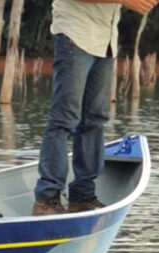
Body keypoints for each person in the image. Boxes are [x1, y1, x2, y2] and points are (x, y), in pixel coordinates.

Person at [32, 0, 158, 215]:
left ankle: (83, 196)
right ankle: (47, 198)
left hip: (104, 40)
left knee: (94, 120)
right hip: (75, 34)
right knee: (64, 119)